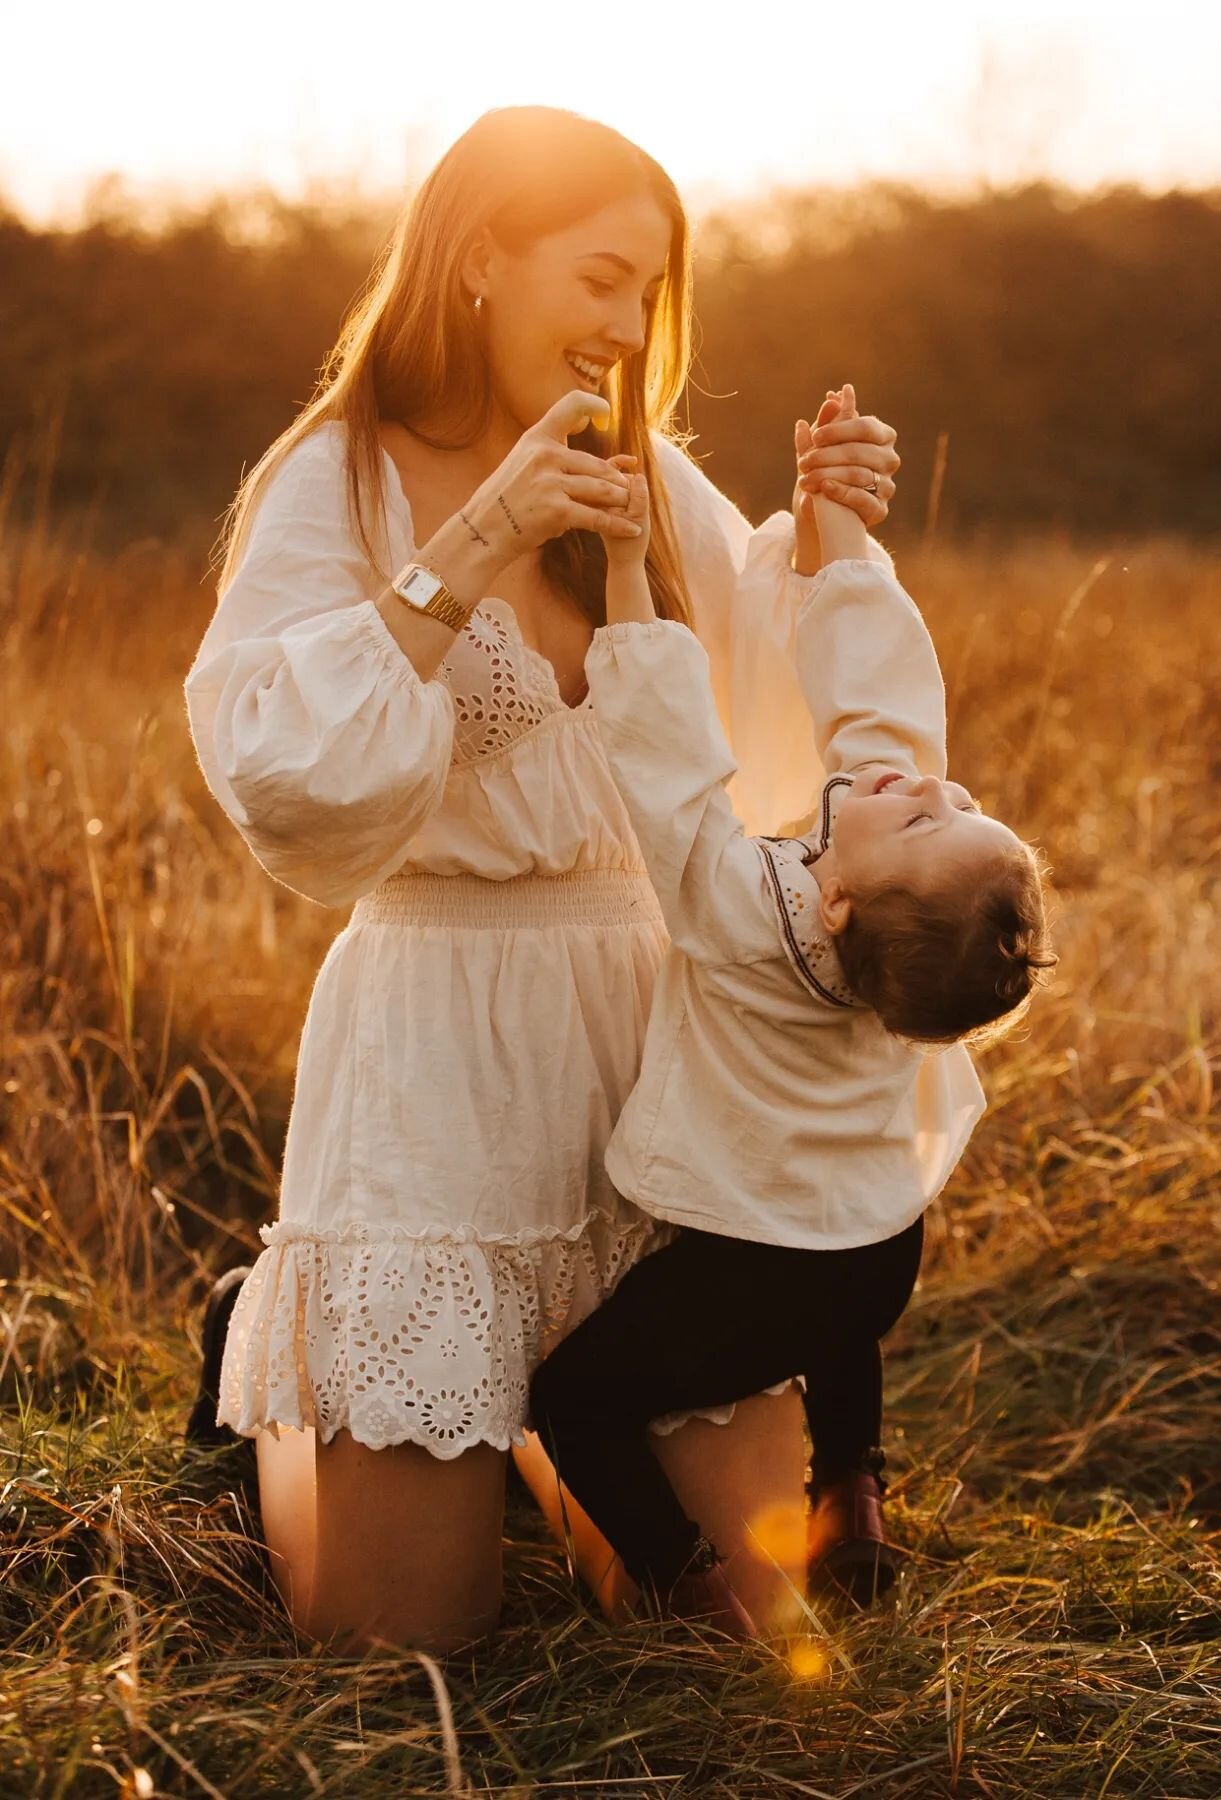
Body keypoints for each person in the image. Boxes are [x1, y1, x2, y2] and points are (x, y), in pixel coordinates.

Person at [181, 106, 904, 1652]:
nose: (624, 327)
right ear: (475, 263)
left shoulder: (640, 473)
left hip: (648, 1060)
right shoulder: (342, 477)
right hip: (435, 1060)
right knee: (399, 1650)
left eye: (648, 294)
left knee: (742, 1625)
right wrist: (480, 532)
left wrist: (826, 545)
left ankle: (527, 1428)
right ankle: (290, 1388)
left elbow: (768, 717)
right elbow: (286, 774)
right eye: (597, 278)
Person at [529, 390, 1053, 1637]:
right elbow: (881, 718)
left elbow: (665, 760)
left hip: (751, 1275)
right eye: (955, 796)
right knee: (838, 1301)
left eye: (928, 815)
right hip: (876, 1260)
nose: (925, 778)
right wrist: (835, 535)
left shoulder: (739, 908)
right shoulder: (891, 947)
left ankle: (680, 1581)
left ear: (835, 911)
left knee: (573, 1401)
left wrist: (621, 567)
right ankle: (853, 1492)